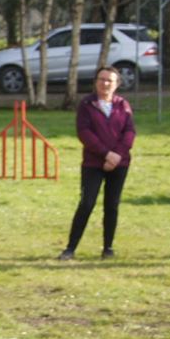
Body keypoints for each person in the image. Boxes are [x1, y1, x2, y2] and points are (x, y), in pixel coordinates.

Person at [58, 66, 135, 260]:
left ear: (117, 84)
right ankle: (70, 248)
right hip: (93, 163)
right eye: (102, 79)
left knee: (112, 205)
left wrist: (117, 155)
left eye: (110, 80)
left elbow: (129, 132)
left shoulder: (123, 105)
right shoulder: (87, 104)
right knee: (87, 203)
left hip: (120, 163)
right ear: (95, 82)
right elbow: (84, 132)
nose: (105, 83)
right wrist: (105, 154)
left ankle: (108, 248)